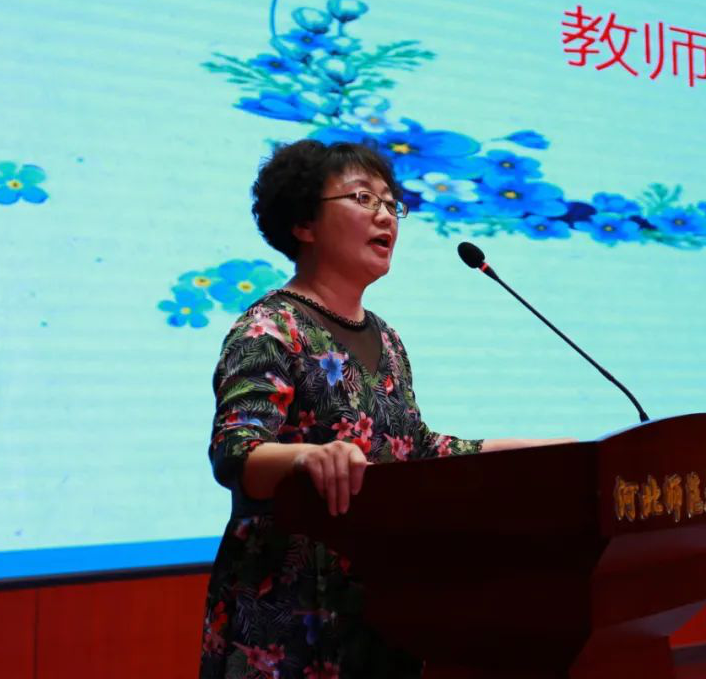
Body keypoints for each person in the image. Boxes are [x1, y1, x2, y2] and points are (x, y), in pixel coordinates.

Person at [199, 140, 565, 679]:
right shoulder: (270, 328)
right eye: (363, 198)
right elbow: (236, 452)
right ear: (303, 223)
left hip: (380, 608)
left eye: (392, 204)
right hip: (289, 613)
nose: (385, 215)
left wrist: (541, 453)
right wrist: (307, 458)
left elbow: (415, 448)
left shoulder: (387, 339)